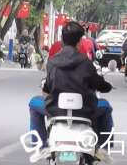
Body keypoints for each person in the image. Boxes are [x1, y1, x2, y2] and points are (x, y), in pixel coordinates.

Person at [27, 20, 113, 163]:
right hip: (84, 112)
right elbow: (100, 85)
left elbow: (47, 88)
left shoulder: (52, 62)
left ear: (62, 39)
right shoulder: (86, 63)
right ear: (79, 41)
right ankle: (102, 147)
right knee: (106, 107)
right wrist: (107, 86)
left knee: (33, 103)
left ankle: (41, 146)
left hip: (55, 111)